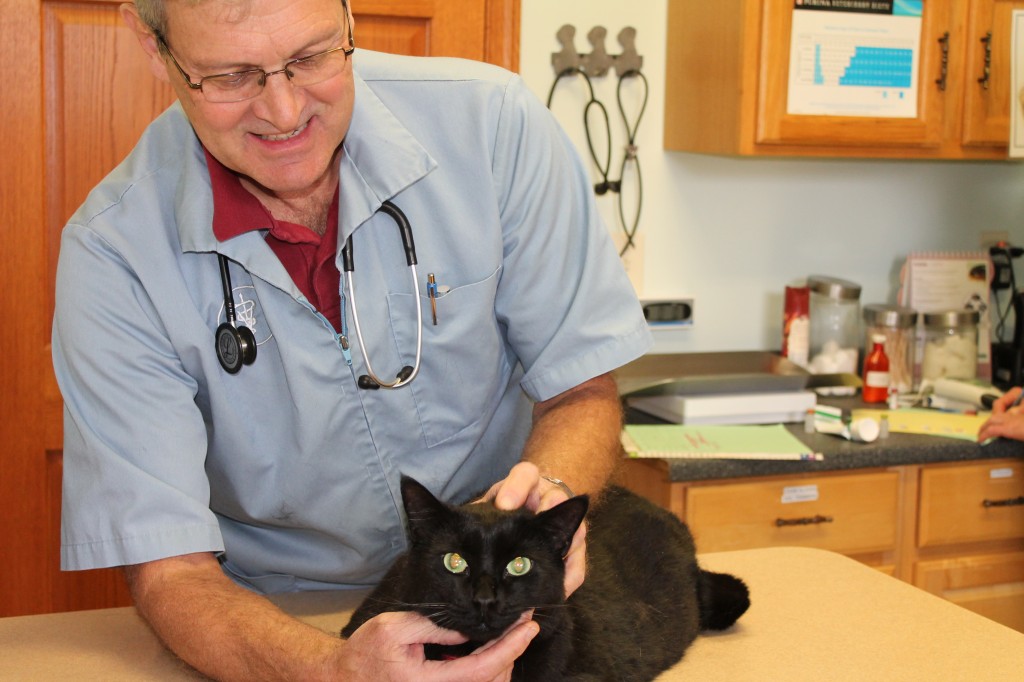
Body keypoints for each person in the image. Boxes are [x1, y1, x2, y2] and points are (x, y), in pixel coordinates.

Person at [51, 0, 652, 679]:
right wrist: (334, 668)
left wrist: (552, 494)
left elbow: (581, 388)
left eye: (311, 58)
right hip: (271, 625)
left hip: (492, 594)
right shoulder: (115, 253)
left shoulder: (494, 128)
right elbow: (171, 572)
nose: (283, 113)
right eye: (230, 76)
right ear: (154, 45)